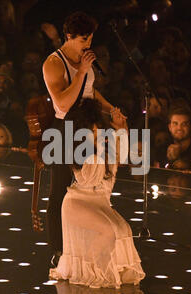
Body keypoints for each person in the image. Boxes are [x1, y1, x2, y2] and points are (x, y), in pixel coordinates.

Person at [42, 11, 126, 267]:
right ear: (69, 36)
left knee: (93, 182)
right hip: (65, 128)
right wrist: (81, 71)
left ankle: (87, 238)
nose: (87, 45)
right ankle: (58, 249)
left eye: (90, 39)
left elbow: (89, 91)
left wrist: (111, 109)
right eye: (82, 40)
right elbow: (63, 103)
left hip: (88, 127)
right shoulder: (54, 63)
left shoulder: (83, 59)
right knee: (60, 190)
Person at [49, 98, 145, 289]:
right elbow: (90, 179)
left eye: (97, 130)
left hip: (100, 202)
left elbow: (124, 152)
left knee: (124, 230)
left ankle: (108, 269)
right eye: (92, 132)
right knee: (108, 232)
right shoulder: (82, 154)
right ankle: (91, 271)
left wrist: (121, 127)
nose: (98, 134)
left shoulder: (104, 148)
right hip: (78, 203)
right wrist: (103, 147)